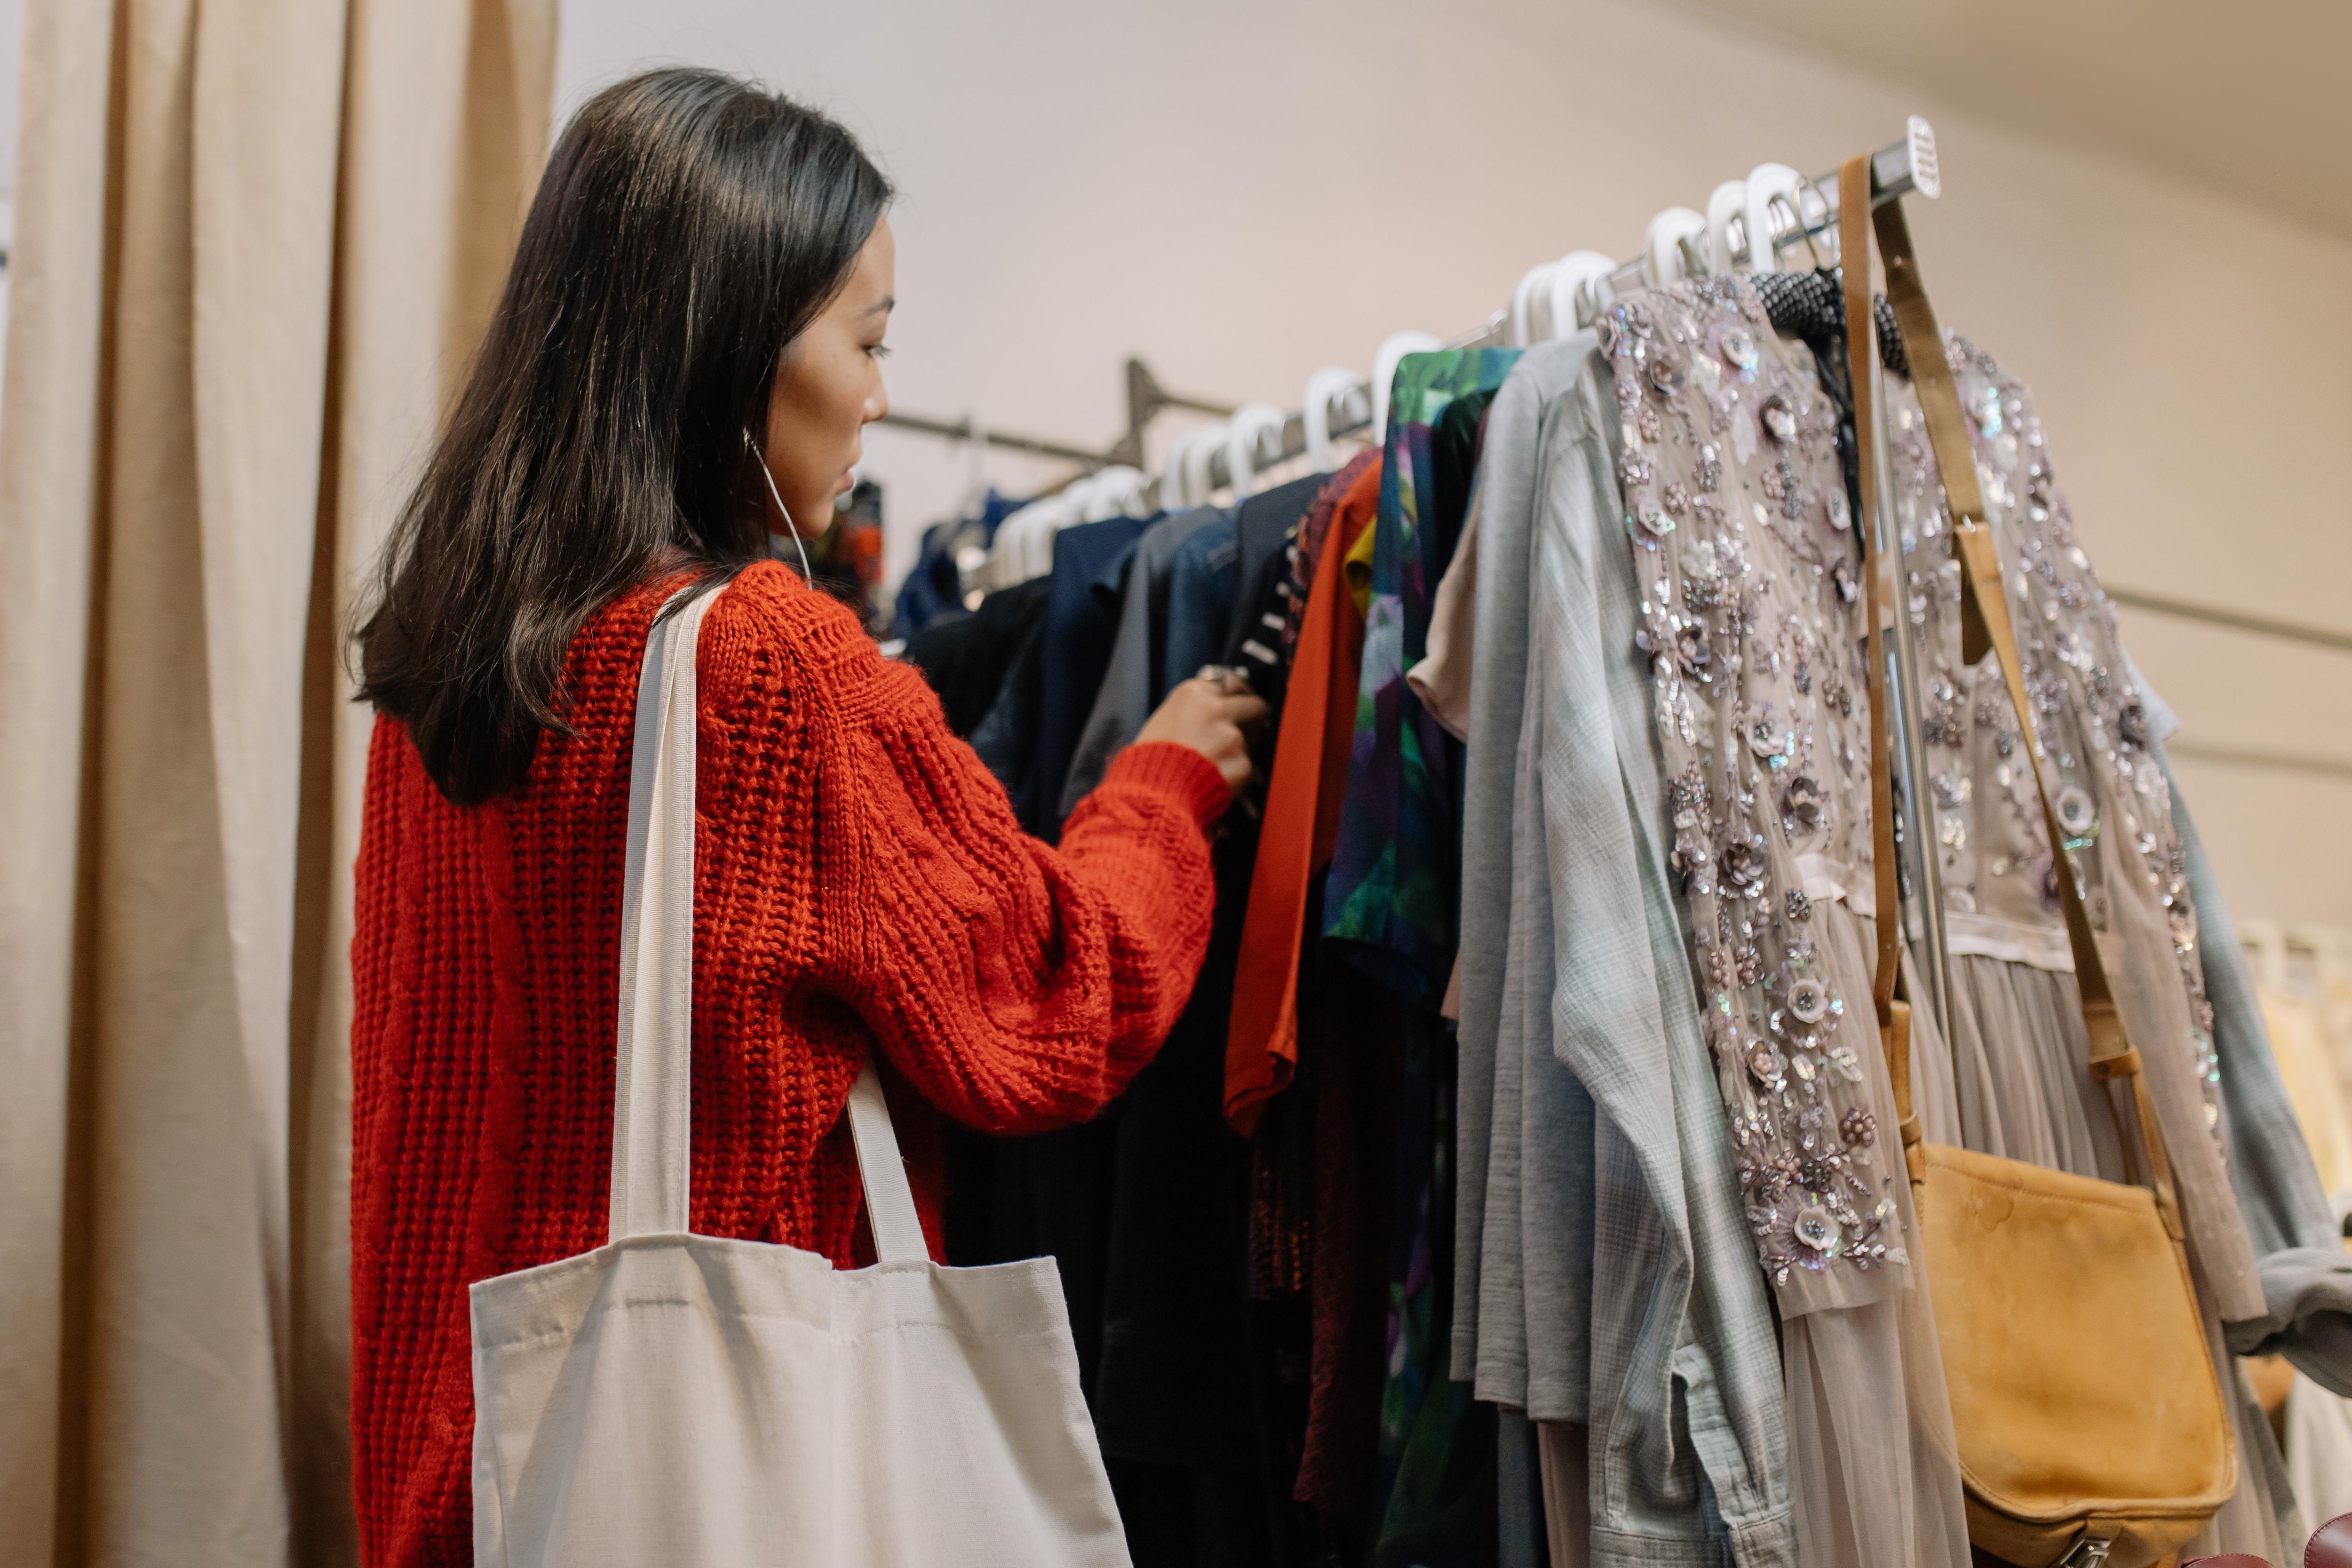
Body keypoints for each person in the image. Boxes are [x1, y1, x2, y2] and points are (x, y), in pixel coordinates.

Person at [346, 67, 1260, 1568]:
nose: (883, 394)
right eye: (869, 337)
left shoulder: (442, 680)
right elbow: (1058, 992)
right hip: (719, 1491)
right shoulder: (767, 667)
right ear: (734, 344)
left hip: (469, 1489)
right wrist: (1160, 792)